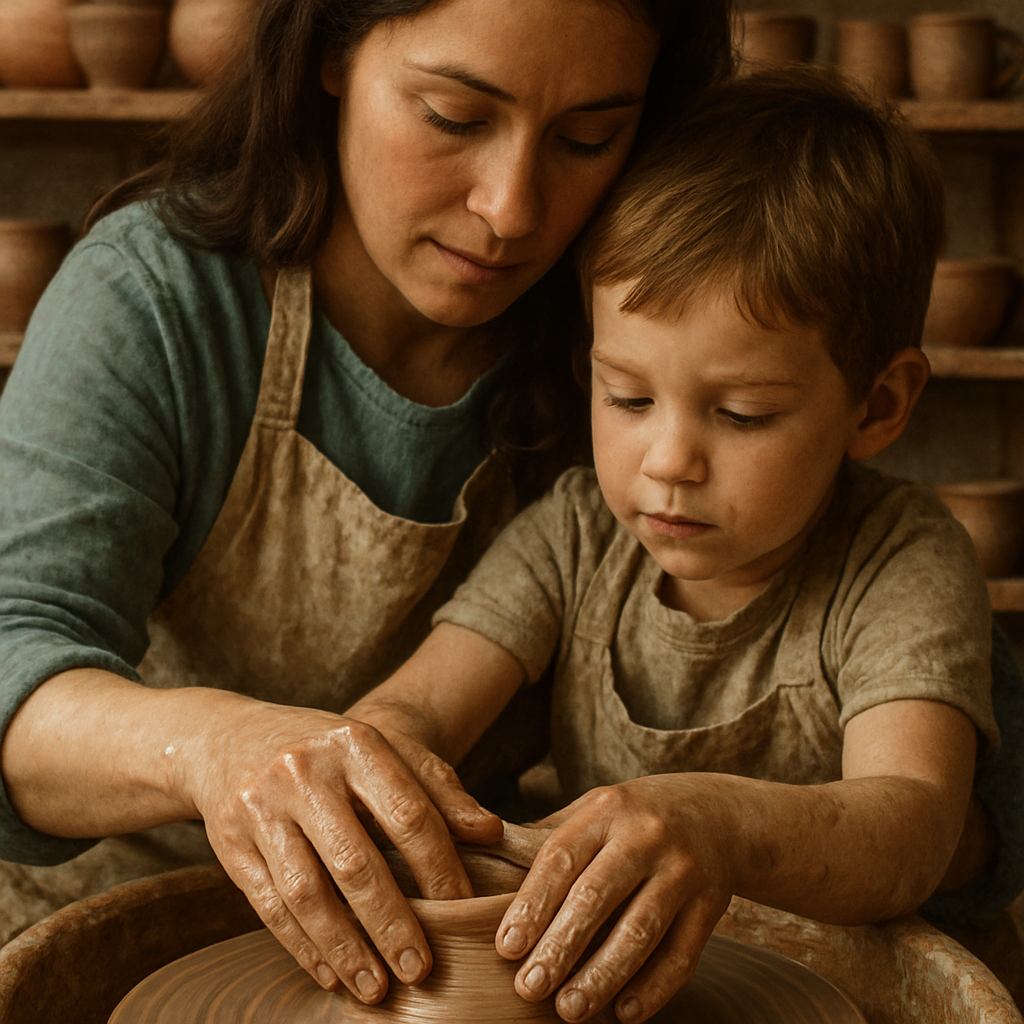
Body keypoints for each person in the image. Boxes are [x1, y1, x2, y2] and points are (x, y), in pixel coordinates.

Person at [0, 0, 734, 1003]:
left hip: (462, 963)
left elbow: (959, 781)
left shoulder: (653, 339)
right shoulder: (160, 298)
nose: (512, 206)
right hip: (126, 944)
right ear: (331, 54)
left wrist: (729, 821)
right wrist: (218, 747)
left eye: (585, 139)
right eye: (453, 116)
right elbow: (13, 664)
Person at [349, 67, 1024, 1024]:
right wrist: (380, 776)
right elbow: (415, 709)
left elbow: (911, 822)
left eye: (742, 414)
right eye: (626, 397)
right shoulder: (577, 537)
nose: (668, 462)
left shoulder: (898, 561)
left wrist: (719, 826)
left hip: (874, 996)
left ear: (876, 404)